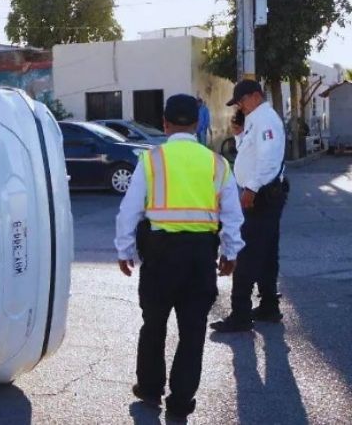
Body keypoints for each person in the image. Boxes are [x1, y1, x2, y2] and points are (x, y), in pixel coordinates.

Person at [115, 94, 245, 422]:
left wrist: (124, 250)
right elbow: (232, 214)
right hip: (200, 256)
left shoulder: (152, 160)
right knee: (193, 330)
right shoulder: (217, 163)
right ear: (198, 123)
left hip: (160, 255)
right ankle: (181, 400)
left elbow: (129, 210)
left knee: (153, 324)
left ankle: (149, 388)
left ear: (165, 123)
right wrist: (230, 253)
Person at [210, 80, 287, 333]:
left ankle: (241, 314)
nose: (240, 107)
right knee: (265, 253)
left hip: (260, 195)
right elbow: (250, 152)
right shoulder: (256, 118)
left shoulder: (265, 119)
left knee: (247, 254)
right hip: (262, 193)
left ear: (255, 95)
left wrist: (251, 188)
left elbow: (269, 159)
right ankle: (268, 306)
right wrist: (239, 134)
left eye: (241, 101)